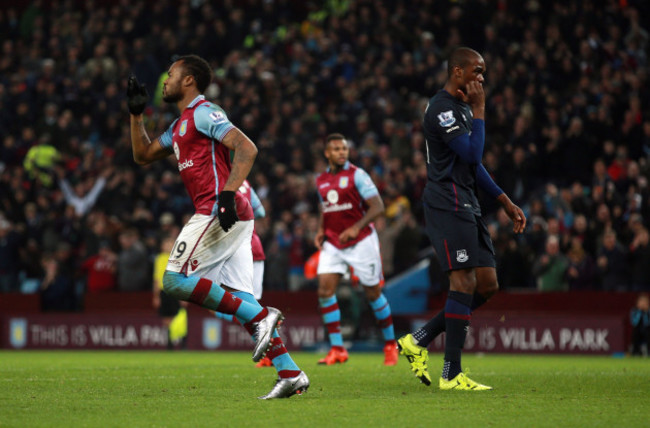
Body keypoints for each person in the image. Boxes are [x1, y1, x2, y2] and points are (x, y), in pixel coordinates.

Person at [127, 54, 308, 399]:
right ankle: (291, 373)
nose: (165, 80)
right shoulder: (179, 126)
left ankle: (264, 316)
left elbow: (246, 147)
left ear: (189, 80)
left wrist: (225, 195)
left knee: (173, 280)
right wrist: (136, 116)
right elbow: (143, 155)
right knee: (240, 296)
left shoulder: (205, 113)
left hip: (218, 209)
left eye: (171, 74)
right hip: (231, 215)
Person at [396, 47, 526, 391]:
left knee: (487, 284)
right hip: (448, 201)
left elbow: (473, 164)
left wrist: (504, 200)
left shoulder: (461, 109)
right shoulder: (442, 109)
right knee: (464, 283)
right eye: (476, 71)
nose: (481, 78)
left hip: (467, 201)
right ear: (457, 72)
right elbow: (471, 152)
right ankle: (451, 373)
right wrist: (481, 109)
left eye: (483, 72)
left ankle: (418, 339)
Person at [313, 133, 398, 366]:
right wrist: (321, 229)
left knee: (372, 293)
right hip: (334, 241)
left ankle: (391, 345)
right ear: (327, 153)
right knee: (324, 291)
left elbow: (378, 206)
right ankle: (338, 348)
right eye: (337, 149)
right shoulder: (320, 180)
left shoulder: (357, 175)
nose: (342, 152)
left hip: (361, 240)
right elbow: (326, 207)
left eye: (344, 148)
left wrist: (355, 227)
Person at [214, 179, 272, 367]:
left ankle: (270, 348)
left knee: (243, 305)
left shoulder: (217, 179)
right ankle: (269, 350)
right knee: (249, 304)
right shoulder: (246, 183)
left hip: (236, 249)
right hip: (255, 246)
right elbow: (261, 211)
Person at [153, 235, 188, 350]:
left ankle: (183, 344)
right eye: (166, 244)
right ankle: (170, 344)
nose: (168, 246)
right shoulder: (159, 259)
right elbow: (157, 279)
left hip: (176, 291)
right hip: (164, 291)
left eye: (170, 244)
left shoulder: (180, 258)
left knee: (179, 318)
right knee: (166, 318)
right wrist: (156, 296)